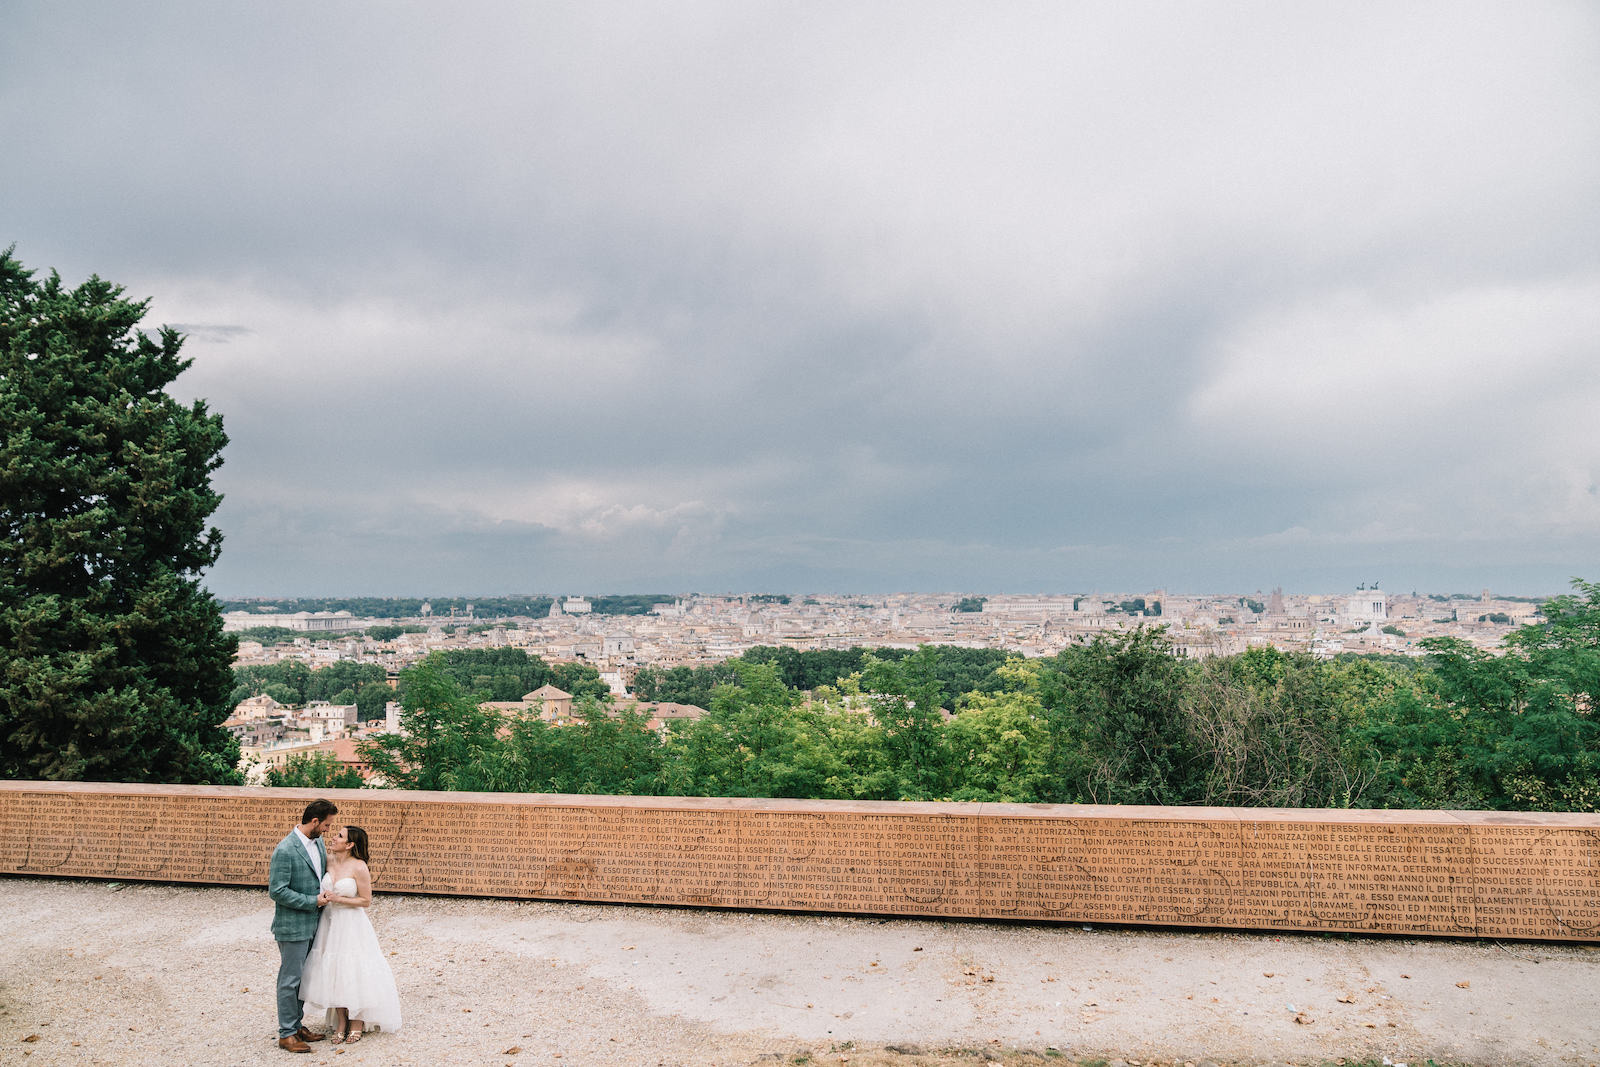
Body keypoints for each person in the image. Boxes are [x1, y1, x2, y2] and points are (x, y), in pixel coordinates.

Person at [300, 825, 403, 1043]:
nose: (333, 838)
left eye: (339, 836)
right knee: (333, 970)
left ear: (350, 844)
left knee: (355, 969)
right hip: (329, 922)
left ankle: (357, 1020)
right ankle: (341, 1020)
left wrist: (339, 899)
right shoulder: (328, 861)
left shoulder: (359, 867)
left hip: (351, 924)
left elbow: (366, 901)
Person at [268, 798, 338, 1053]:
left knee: (303, 979)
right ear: (315, 821)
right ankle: (286, 1034)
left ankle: (297, 1026)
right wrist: (313, 901)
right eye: (327, 825)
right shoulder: (285, 849)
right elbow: (277, 891)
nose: (329, 831)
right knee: (290, 980)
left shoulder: (317, 842)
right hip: (292, 925)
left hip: (314, 923)